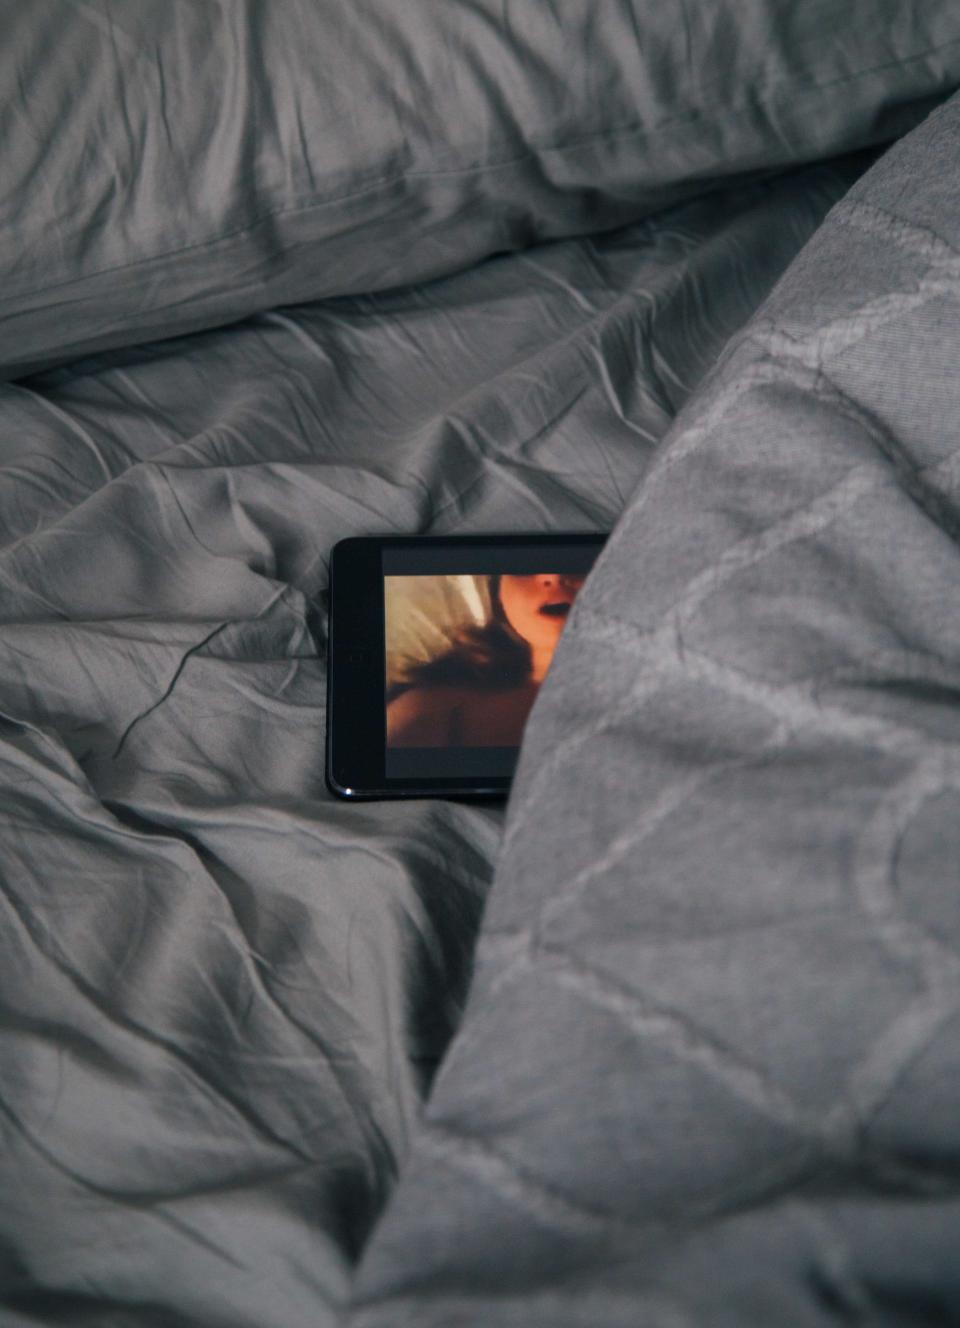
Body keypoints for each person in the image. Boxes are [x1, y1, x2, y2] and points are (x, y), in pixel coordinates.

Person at [386, 572, 586, 747]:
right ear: (499, 598)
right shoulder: (429, 706)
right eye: (523, 568)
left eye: (576, 562)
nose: (553, 576)